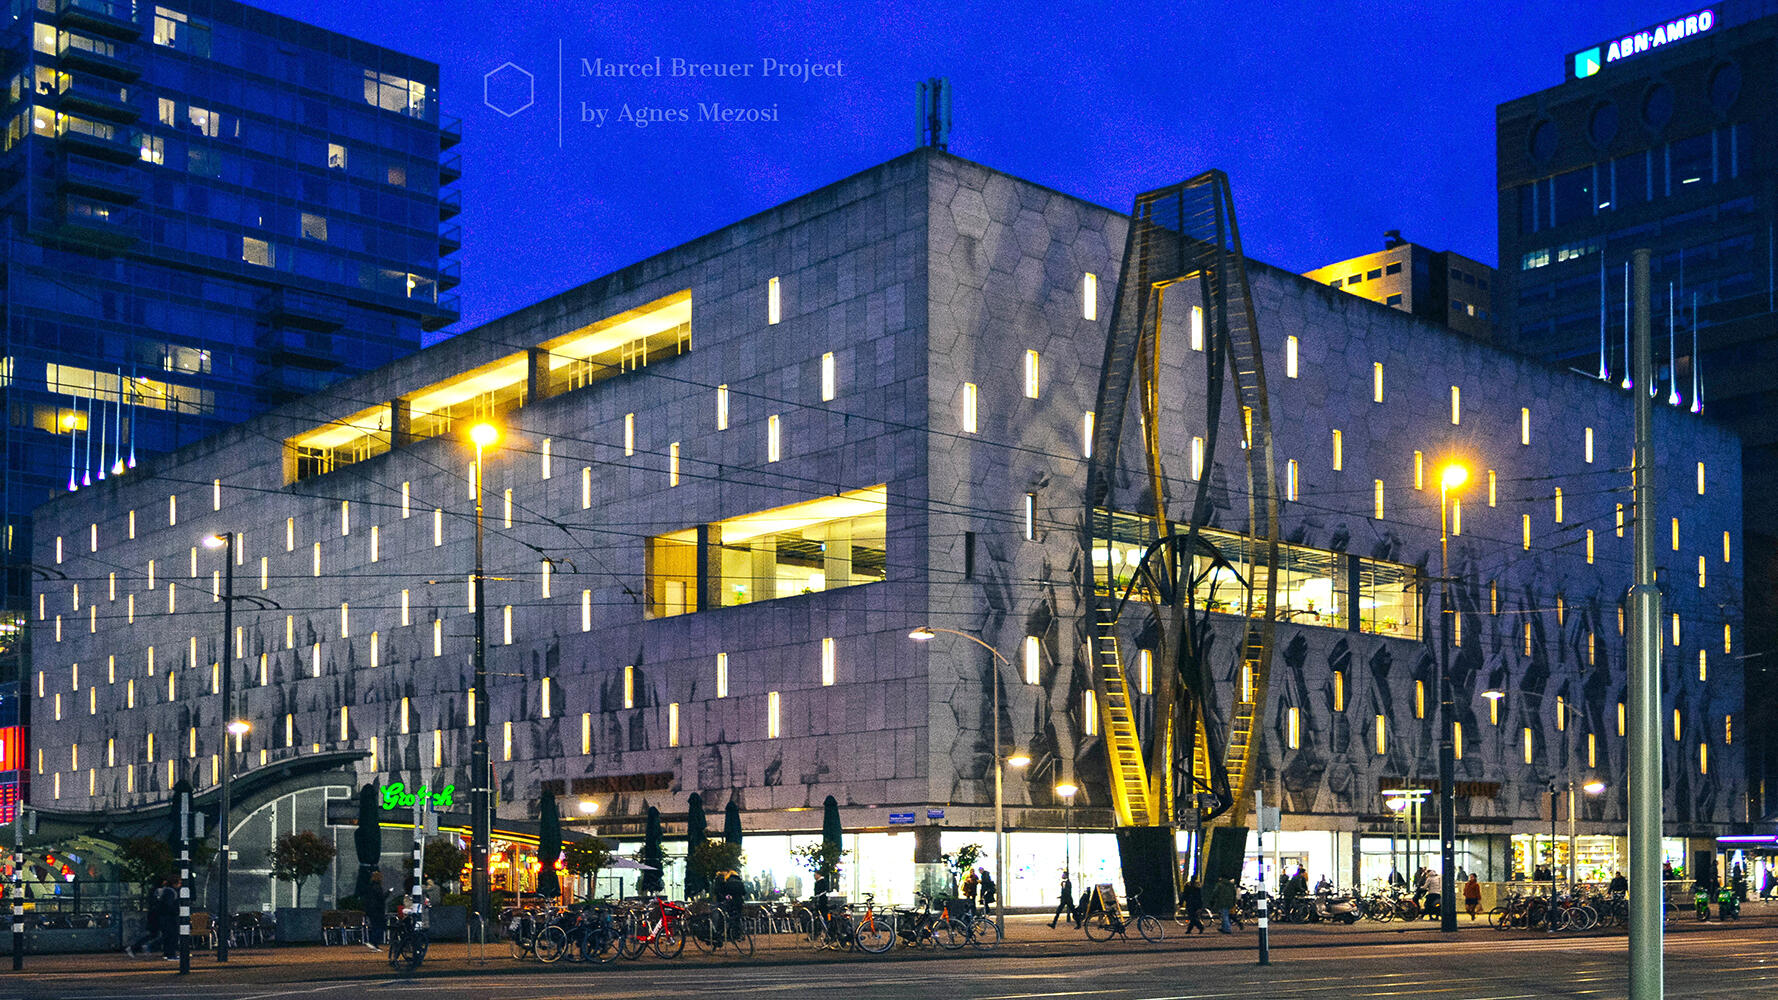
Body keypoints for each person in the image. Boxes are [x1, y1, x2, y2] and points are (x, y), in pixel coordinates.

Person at [124, 878, 167, 958]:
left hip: (154, 914)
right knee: (161, 934)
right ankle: (141, 947)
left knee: (154, 934)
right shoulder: (159, 891)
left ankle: (139, 947)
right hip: (157, 915)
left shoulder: (154, 891)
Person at [157, 877, 181, 960]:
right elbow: (169, 905)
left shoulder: (166, 891)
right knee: (172, 935)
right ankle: (171, 954)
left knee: (167, 936)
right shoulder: (171, 892)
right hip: (170, 917)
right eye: (179, 883)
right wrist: (175, 912)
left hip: (165, 917)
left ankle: (168, 953)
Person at [364, 870, 387, 950]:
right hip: (378, 910)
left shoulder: (370, 887)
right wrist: (388, 893)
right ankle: (374, 942)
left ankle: (373, 942)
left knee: (375, 926)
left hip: (371, 910)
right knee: (379, 927)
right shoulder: (377, 887)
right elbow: (381, 898)